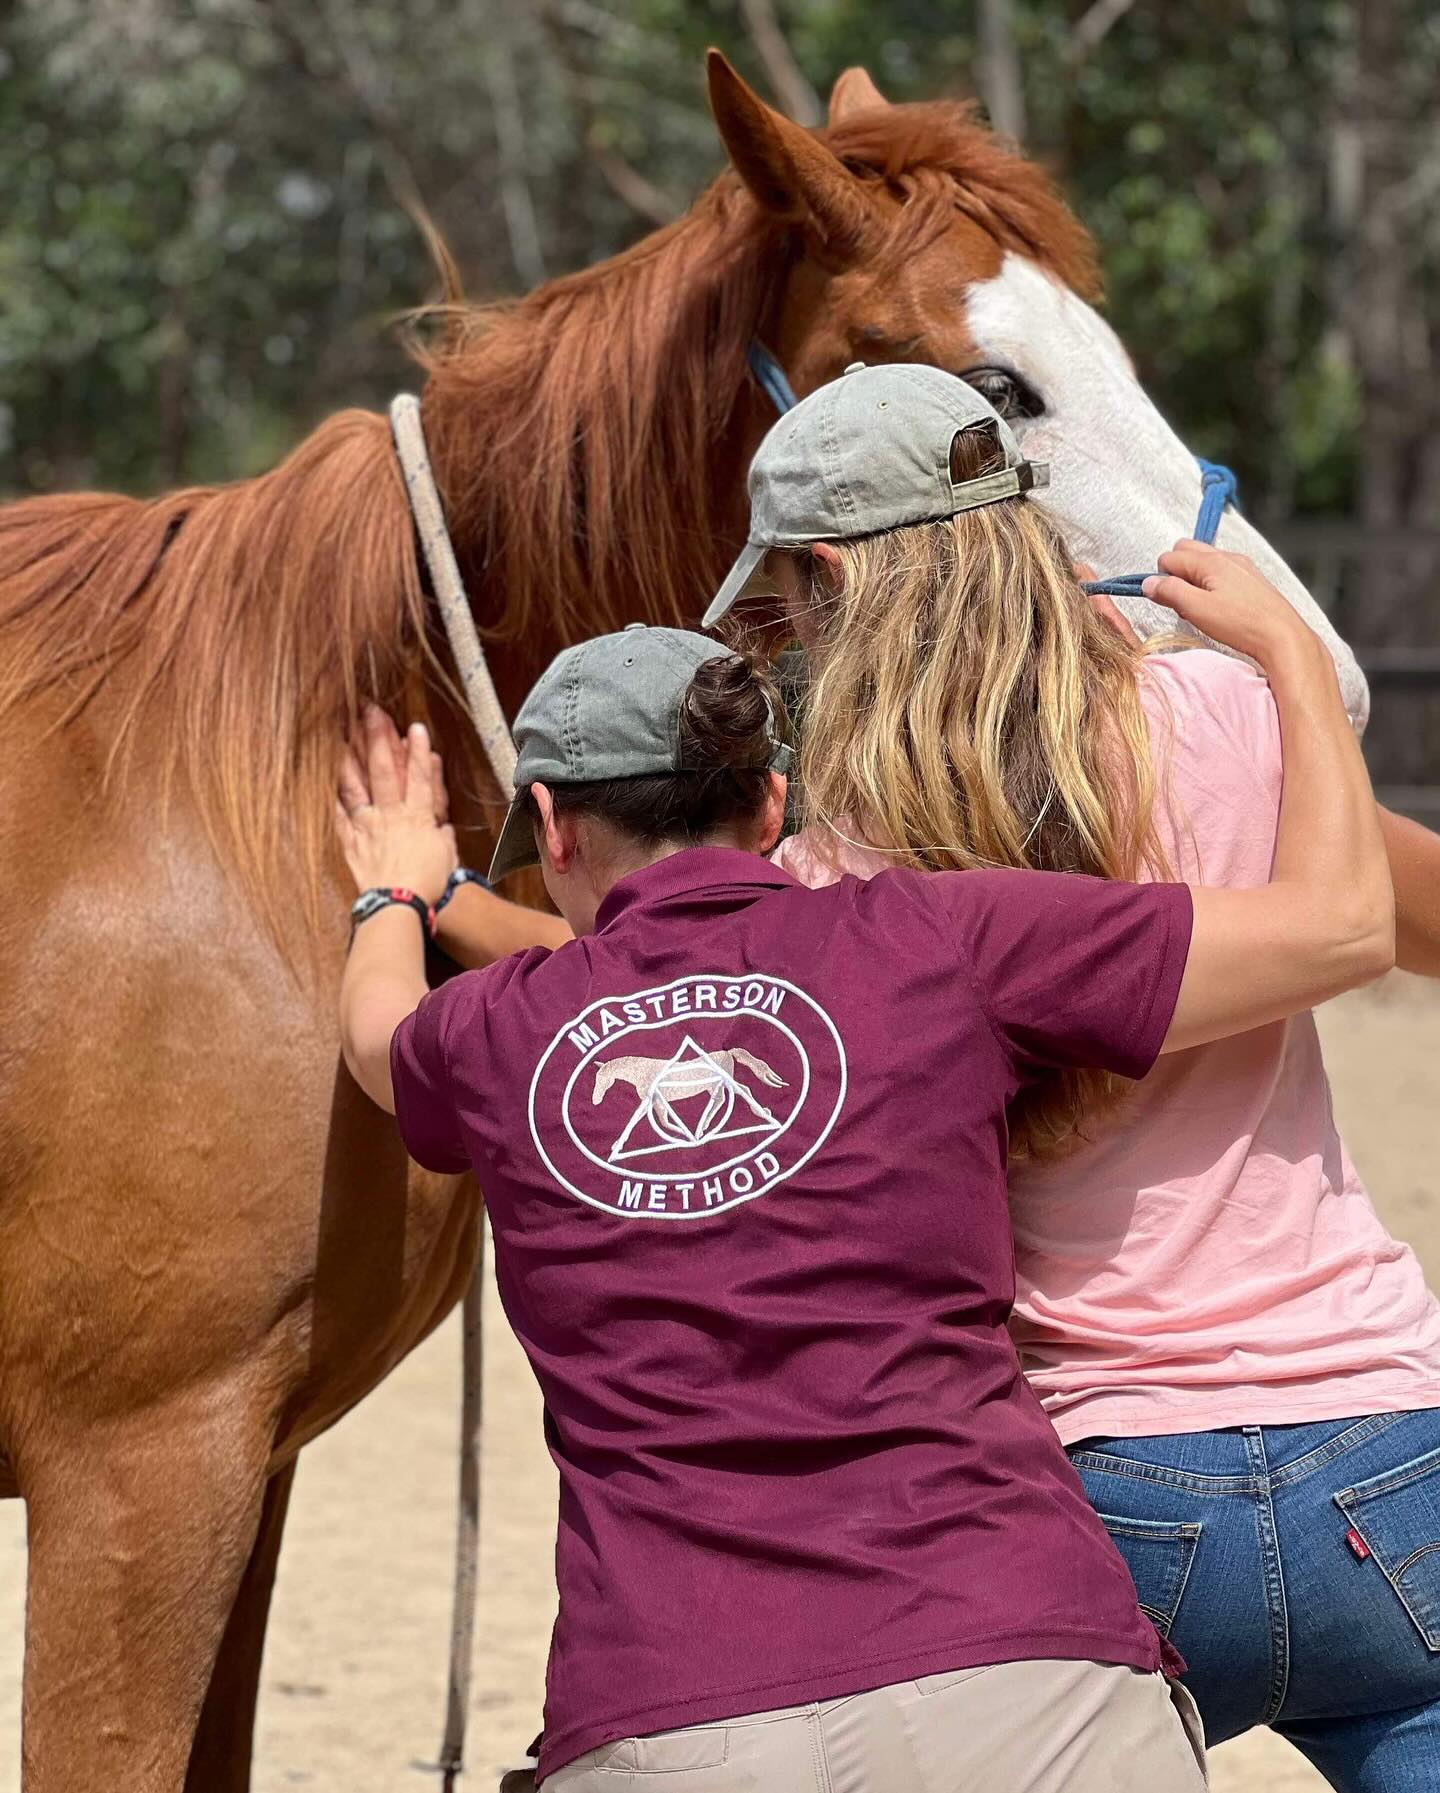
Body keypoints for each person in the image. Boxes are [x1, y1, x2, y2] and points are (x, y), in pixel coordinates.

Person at [336, 543, 1391, 1787]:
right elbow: (1337, 924)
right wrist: (1291, 662)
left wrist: (398, 895)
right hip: (1020, 1672)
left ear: (556, 829)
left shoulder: (493, 1031)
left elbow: (374, 1037)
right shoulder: (941, 930)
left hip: (671, 1707)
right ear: (771, 802)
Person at [689, 363, 1440, 1792]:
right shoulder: (1232, 718)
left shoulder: (838, 873)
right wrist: (1289, 674)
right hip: (1389, 1447)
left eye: (784, 598)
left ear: (837, 576)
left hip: (1101, 1492)